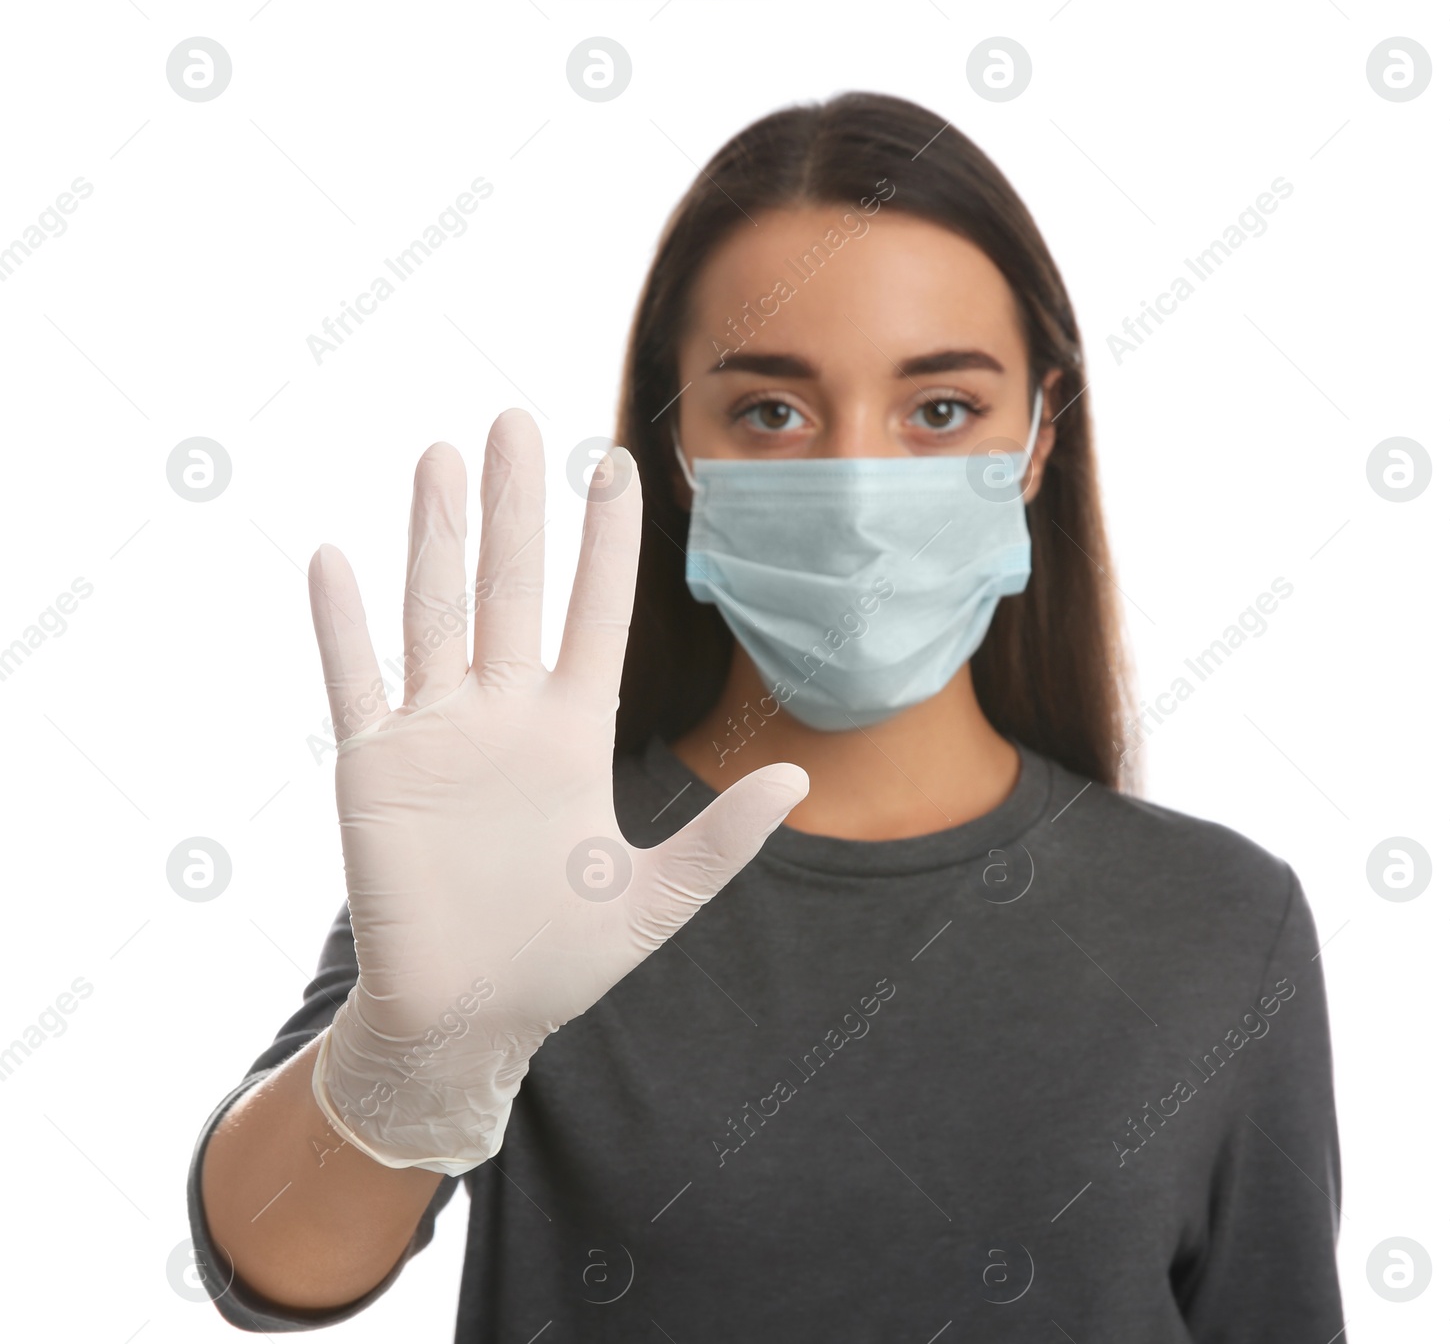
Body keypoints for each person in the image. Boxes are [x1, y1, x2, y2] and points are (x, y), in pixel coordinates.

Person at [187, 91, 1343, 1341]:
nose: (856, 489)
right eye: (770, 411)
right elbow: (270, 1267)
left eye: (940, 408)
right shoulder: (534, 855)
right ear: (675, 444)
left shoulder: (1221, 923)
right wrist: (403, 1071)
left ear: (1039, 434)